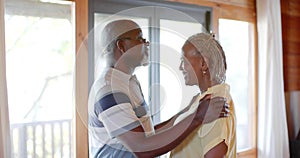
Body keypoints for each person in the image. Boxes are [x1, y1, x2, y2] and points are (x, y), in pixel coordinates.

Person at [88, 19, 229, 158]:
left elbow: (148, 134)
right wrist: (197, 117)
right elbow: (142, 149)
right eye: (140, 39)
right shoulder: (110, 90)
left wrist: (187, 112)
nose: (146, 43)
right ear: (122, 46)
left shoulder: (129, 83)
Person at [169, 33, 236, 158]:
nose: (180, 67)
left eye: (184, 61)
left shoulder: (215, 104)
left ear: (203, 64)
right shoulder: (204, 100)